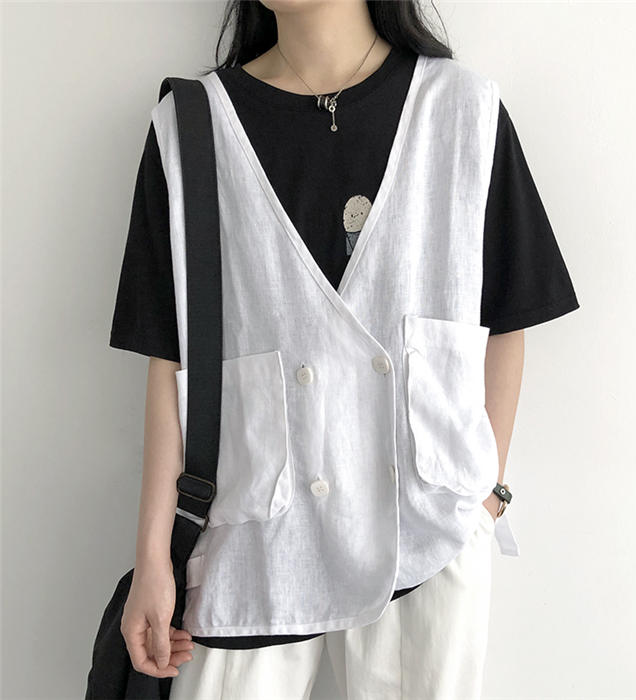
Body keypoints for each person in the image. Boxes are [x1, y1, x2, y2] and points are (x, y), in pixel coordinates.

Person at [108, 1, 580, 697]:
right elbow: (169, 355)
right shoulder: (190, 127)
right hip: (254, 535)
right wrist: (152, 556)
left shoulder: (460, 110)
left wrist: (486, 501)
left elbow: (508, 313)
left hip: (426, 534)